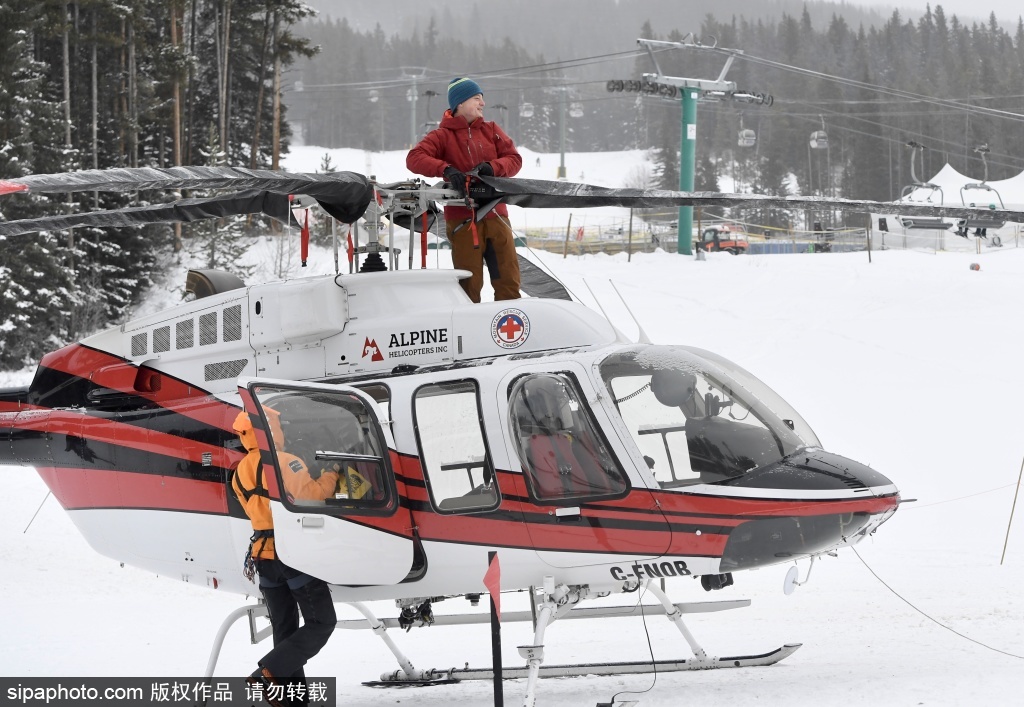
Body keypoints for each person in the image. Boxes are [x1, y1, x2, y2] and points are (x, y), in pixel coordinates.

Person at [231, 409, 339, 706]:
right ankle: (269, 673)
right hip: (291, 555)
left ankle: (289, 699)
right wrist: (332, 473)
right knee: (321, 622)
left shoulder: (240, 470)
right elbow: (314, 496)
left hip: (262, 558)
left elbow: (249, 506)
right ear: (269, 428)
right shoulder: (285, 462)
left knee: (285, 629)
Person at [407, 77, 523, 302]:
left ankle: (509, 331)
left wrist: (493, 167)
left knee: (508, 280)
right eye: (477, 98)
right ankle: (470, 332)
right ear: (460, 103)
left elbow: (514, 159)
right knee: (468, 285)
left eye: (482, 99)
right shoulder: (442, 136)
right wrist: (446, 169)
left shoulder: (491, 130)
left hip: (497, 216)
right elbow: (414, 158)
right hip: (463, 221)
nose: (483, 104)